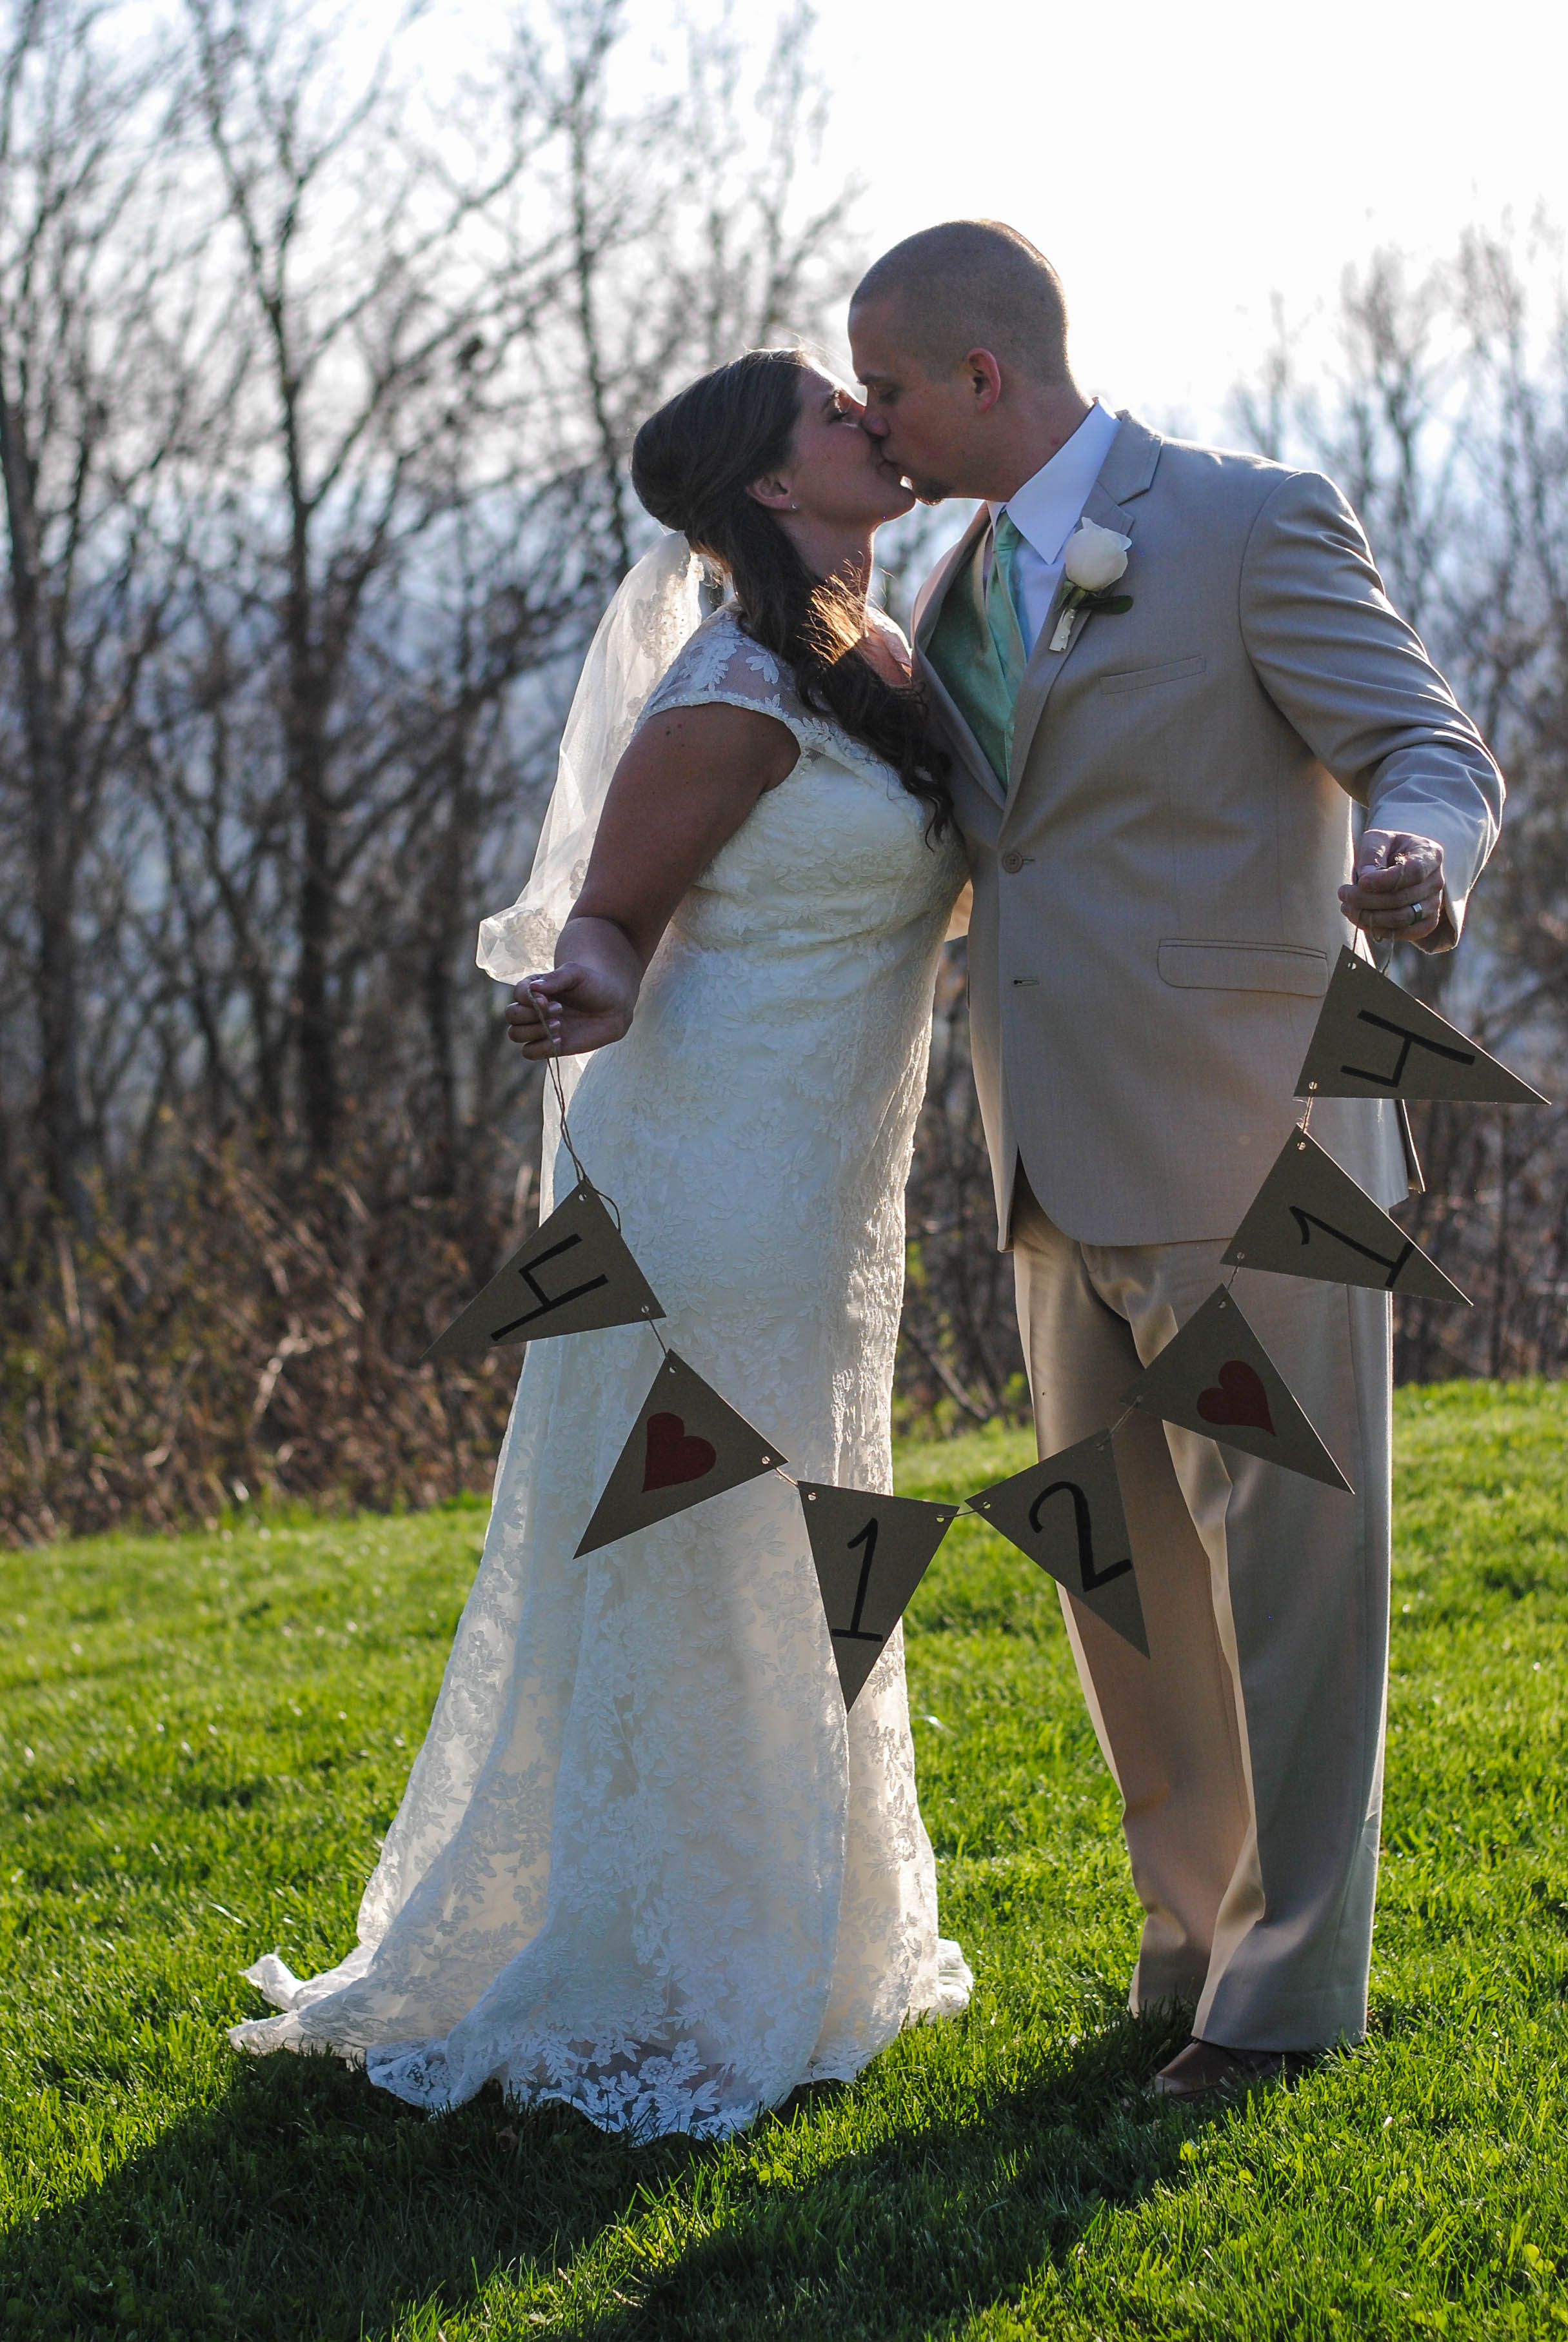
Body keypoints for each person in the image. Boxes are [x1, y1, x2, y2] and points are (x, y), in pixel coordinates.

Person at [228, 347, 971, 2139]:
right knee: (706, 1551)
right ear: (774, 487)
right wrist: (581, 983)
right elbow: (617, 921)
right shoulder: (728, 688)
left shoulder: (875, 651)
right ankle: (671, 1963)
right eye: (831, 412)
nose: (870, 422)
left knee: (797, 1545)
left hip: (827, 1202)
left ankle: (799, 1925)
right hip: (712, 1195)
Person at [848, 221, 1503, 2101]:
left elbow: (1424, 747)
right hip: (1049, 1155)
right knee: (1122, 1580)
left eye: (887, 388)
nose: (872, 423)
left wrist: (1423, 863)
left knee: (1296, 1574)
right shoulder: (955, 579)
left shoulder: (1240, 520)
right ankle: (1192, 1945)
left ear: (984, 378)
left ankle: (1285, 2002)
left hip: (1258, 1132)